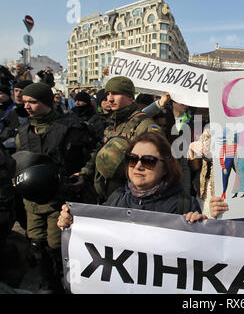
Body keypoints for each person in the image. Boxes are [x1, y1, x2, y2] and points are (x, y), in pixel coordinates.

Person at [14, 82, 97, 292]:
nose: (27, 106)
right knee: (36, 242)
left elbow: (94, 152)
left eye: (33, 102)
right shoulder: (23, 132)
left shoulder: (71, 127)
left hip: (59, 199)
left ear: (47, 102)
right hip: (32, 200)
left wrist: (84, 174)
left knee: (56, 245)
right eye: (25, 102)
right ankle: (47, 283)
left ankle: (64, 283)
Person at [57, 131, 205, 230]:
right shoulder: (116, 199)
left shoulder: (184, 205)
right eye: (132, 159)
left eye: (148, 161)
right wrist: (71, 222)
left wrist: (198, 226)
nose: (138, 166)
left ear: (166, 167)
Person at [76, 76, 162, 204]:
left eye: (115, 93)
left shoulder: (145, 126)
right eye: (108, 94)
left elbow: (157, 166)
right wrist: (85, 172)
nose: (110, 98)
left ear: (130, 97)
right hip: (105, 196)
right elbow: (100, 150)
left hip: (129, 200)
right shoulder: (113, 123)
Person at [142, 92, 194, 197]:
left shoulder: (178, 142)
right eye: (158, 125)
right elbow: (139, 117)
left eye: (164, 126)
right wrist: (159, 104)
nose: (160, 129)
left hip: (170, 194)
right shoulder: (144, 144)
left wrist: (185, 195)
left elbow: (184, 169)